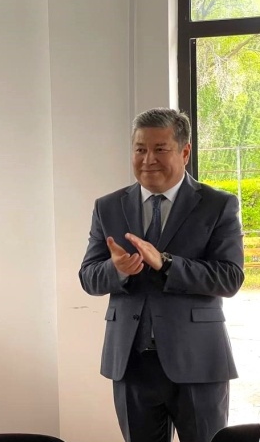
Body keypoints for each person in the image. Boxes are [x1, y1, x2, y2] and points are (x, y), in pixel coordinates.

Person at [79, 108, 244, 442]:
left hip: (198, 361)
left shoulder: (218, 204)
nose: (148, 159)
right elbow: (88, 277)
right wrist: (116, 270)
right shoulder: (108, 206)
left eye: (160, 149)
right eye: (140, 149)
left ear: (185, 152)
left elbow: (229, 278)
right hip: (131, 363)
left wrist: (167, 263)